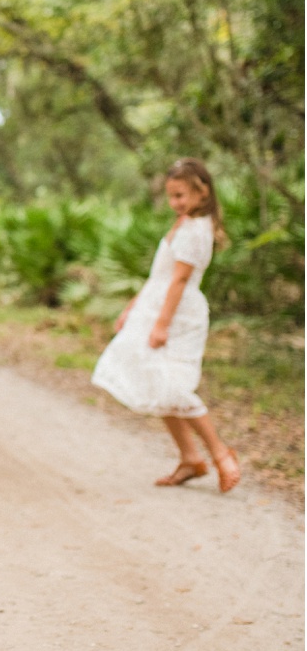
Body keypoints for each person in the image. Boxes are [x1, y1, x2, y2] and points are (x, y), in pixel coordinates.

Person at [92, 157, 240, 494]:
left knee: (173, 386)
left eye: (181, 195)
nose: (175, 203)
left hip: (177, 316)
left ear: (202, 193)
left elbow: (179, 282)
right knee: (155, 381)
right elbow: (158, 277)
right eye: (172, 196)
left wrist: (160, 326)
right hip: (154, 309)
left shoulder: (195, 231)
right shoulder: (183, 223)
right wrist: (132, 308)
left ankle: (220, 454)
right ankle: (191, 458)